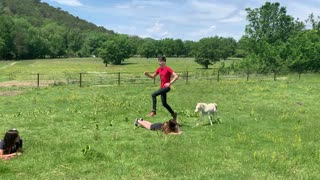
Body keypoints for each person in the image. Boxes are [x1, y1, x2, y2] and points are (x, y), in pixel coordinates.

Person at [144, 56, 179, 120]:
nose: (159, 63)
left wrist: (169, 83)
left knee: (153, 94)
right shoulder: (159, 69)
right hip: (162, 87)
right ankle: (174, 114)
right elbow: (153, 76)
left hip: (166, 87)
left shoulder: (168, 68)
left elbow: (176, 76)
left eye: (160, 61)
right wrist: (147, 74)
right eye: (158, 61)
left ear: (164, 62)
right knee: (164, 104)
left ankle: (153, 111)